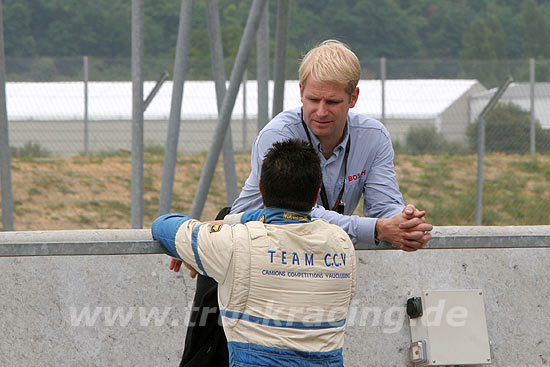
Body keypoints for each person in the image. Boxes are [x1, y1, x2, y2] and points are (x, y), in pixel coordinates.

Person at [173, 39, 433, 366]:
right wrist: (380, 229)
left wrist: (405, 223)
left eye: (333, 101)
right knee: (209, 354)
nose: (321, 111)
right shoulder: (278, 133)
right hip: (246, 244)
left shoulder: (375, 137)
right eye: (313, 99)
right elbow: (300, 214)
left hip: (311, 249)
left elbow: (384, 210)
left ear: (353, 97)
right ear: (300, 92)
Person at [153, 139, 356, 367]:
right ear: (316, 194)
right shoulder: (342, 244)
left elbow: (163, 226)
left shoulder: (235, 242)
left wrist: (235, 219)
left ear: (261, 187)